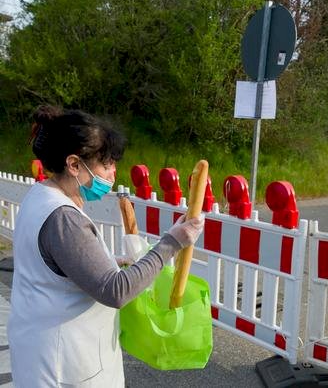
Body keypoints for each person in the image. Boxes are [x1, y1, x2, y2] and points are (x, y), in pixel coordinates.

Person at [8, 106, 205, 387]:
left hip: (42, 350)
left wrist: (110, 262)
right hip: (65, 365)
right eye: (106, 164)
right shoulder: (63, 218)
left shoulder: (42, 195)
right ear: (74, 164)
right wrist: (173, 242)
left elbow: (55, 263)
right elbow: (116, 291)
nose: (113, 174)